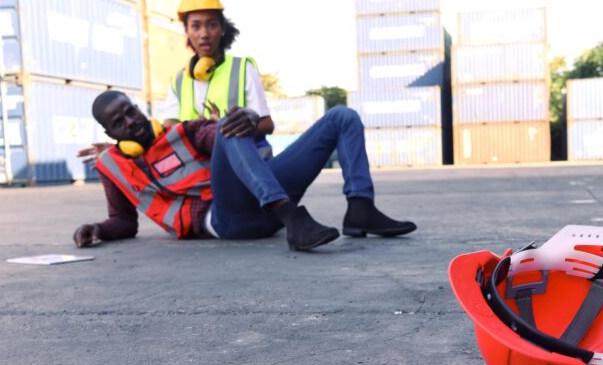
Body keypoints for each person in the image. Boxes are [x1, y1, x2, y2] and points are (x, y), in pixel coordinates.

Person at [73, 91, 416, 252]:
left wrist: (250, 119)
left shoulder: (184, 132)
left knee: (341, 116)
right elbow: (124, 222)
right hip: (227, 220)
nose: (131, 122)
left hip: (263, 205)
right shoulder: (112, 166)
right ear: (110, 135)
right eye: (119, 122)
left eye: (130, 111)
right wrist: (98, 229)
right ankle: (292, 218)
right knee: (227, 127)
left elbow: (217, 133)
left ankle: (361, 209)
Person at [77, 0, 274, 164]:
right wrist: (116, 151)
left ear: (222, 29)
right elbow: (164, 137)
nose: (204, 33)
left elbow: (267, 124)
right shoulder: (179, 82)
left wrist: (232, 130)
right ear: (187, 30)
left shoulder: (242, 68)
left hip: (247, 165)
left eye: (212, 25)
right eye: (196, 26)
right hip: (202, 173)